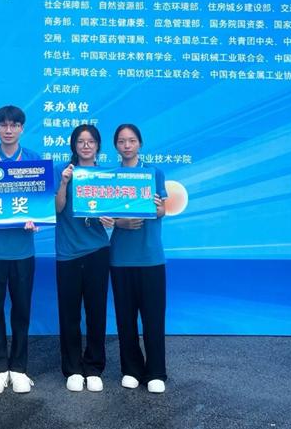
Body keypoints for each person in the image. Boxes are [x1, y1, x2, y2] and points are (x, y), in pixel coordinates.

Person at [0, 105, 40, 395]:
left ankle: (19, 368)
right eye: (3, 124)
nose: (8, 130)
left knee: (21, 309)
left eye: (14, 125)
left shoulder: (34, 160)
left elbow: (41, 203)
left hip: (23, 249)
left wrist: (36, 219)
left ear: (22, 129)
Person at [54, 124, 113, 393]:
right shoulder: (62, 171)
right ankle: (73, 369)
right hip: (68, 252)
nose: (86, 146)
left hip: (97, 251)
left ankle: (94, 367)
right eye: (81, 141)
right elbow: (57, 209)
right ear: (74, 146)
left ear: (98, 146)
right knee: (69, 314)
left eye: (91, 141)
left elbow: (116, 211)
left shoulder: (106, 175)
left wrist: (112, 219)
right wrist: (64, 183)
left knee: (96, 311)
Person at [109, 123, 168, 394]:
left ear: (140, 144)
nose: (127, 145)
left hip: (150, 256)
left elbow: (162, 209)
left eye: (132, 140)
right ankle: (131, 369)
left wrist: (157, 209)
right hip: (121, 257)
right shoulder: (109, 177)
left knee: (153, 317)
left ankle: (156, 372)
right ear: (116, 146)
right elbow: (103, 215)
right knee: (125, 317)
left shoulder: (153, 173)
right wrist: (119, 222)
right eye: (122, 141)